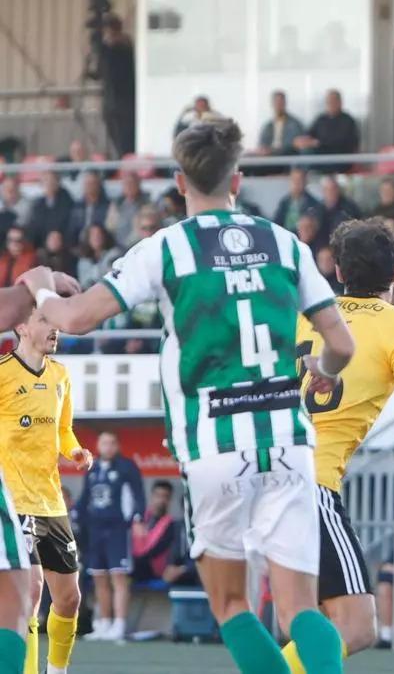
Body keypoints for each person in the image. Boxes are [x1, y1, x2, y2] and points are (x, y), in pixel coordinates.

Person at [23, 118, 356, 674]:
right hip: (289, 439)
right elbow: (341, 344)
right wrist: (322, 368)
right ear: (238, 179)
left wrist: (38, 282)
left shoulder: (168, 248)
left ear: (180, 181)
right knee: (301, 609)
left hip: (215, 441)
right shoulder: (284, 242)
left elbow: (76, 318)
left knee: (230, 605)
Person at [283, 218, 394, 669]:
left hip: (271, 477)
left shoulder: (306, 316)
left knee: (315, 621)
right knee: (357, 627)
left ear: (338, 272)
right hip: (311, 485)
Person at [0, 309, 93, 674]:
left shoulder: (60, 375)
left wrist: (75, 451)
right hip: (12, 500)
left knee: (69, 599)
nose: (54, 328)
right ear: (22, 326)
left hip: (50, 500)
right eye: (44, 320)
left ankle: (57, 671)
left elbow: (63, 429)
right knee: (31, 593)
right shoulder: (3, 373)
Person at [76, 431, 145, 642]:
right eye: (104, 442)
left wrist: (138, 519)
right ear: (98, 445)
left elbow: (138, 494)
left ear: (117, 445)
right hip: (95, 531)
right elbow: (85, 498)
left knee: (119, 577)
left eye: (112, 443)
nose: (108, 446)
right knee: (99, 578)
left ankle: (120, 624)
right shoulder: (92, 468)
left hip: (118, 530)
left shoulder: (127, 467)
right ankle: (104, 622)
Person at [92, 14, 136, 156]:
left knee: (125, 136)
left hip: (125, 100)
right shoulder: (105, 47)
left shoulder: (124, 45)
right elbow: (100, 72)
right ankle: (122, 156)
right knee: (115, 136)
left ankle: (126, 157)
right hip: (111, 100)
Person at [295, 90, 361, 172]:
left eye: (334, 101)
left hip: (339, 158)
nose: (331, 104)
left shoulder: (348, 120)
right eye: (329, 101)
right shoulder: (321, 119)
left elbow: (343, 141)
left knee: (310, 159)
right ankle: (299, 181)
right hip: (320, 155)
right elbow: (310, 134)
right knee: (300, 154)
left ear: (340, 102)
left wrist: (319, 143)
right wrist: (303, 140)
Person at [131, 481, 177, 583]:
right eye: (158, 495)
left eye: (165, 496)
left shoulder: (170, 524)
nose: (161, 500)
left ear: (169, 500)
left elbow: (156, 551)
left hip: (153, 568)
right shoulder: (139, 518)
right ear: (152, 496)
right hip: (135, 564)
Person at [28, 171, 75, 249]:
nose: (49, 184)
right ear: (41, 184)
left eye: (52, 180)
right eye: (46, 181)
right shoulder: (38, 203)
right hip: (42, 245)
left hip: (61, 244)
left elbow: (65, 224)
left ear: (58, 182)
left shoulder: (67, 200)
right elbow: (35, 225)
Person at [255, 90, 304, 159]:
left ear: (285, 103)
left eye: (281, 102)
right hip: (268, 157)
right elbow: (262, 144)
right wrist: (263, 149)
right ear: (272, 104)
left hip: (284, 157)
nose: (279, 105)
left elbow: (296, 145)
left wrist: (273, 150)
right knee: (246, 160)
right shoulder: (268, 125)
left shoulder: (295, 124)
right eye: (277, 102)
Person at [104, 172, 148, 248]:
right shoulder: (116, 204)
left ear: (138, 184)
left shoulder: (146, 203)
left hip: (138, 245)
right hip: (117, 245)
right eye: (126, 184)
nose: (129, 186)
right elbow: (110, 226)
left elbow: (145, 227)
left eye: (132, 183)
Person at [315, 176, 363, 241]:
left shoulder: (349, 208)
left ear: (338, 190)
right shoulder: (318, 208)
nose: (330, 193)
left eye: (333, 189)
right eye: (327, 190)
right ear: (323, 192)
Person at [273, 168, 320, 234]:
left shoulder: (313, 204)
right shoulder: (284, 202)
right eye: (294, 180)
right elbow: (276, 223)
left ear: (305, 182)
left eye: (299, 180)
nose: (296, 183)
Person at [76, 225, 122, 290]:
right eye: (93, 235)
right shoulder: (83, 261)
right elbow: (84, 283)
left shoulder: (114, 254)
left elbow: (111, 276)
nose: (96, 237)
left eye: (99, 234)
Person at [69, 171, 109, 243]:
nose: (90, 187)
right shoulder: (77, 206)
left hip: (99, 242)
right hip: (78, 244)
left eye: (93, 183)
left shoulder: (107, 205)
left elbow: (107, 228)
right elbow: (72, 227)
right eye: (87, 184)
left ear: (99, 185)